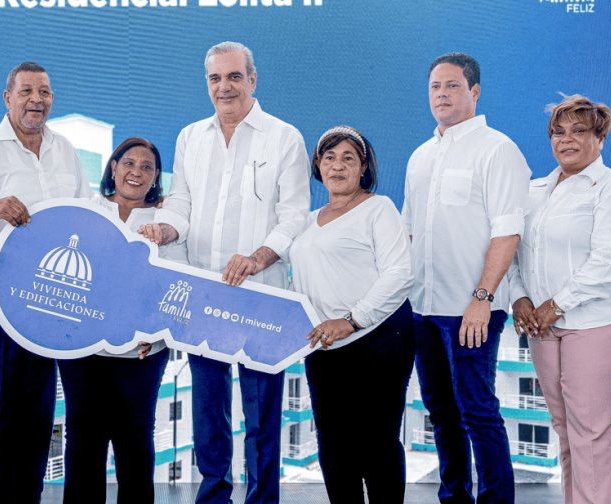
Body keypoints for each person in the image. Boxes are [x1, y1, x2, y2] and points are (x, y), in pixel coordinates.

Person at [142, 41, 310, 503]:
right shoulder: (191, 137)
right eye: (215, 78)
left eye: (234, 76)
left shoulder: (284, 137)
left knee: (262, 413)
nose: (225, 87)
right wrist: (165, 229)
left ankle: (263, 498)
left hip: (261, 293)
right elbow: (181, 203)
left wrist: (258, 257)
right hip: (204, 293)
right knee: (208, 410)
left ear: (252, 80)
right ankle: (214, 494)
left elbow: (295, 214)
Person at [0, 61, 93, 503]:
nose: (37, 100)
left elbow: (86, 213)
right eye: (27, 91)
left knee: (36, 417)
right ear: (8, 97)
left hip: (45, 308)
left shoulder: (64, 149)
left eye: (45, 92)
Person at [402, 52, 530, 504]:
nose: (442, 94)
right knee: (441, 412)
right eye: (435, 86)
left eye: (452, 85)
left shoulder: (498, 150)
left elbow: (507, 231)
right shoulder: (420, 157)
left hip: (471, 310)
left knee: (477, 411)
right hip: (422, 309)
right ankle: (454, 497)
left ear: (474, 92)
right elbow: (410, 232)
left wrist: (482, 298)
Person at [509, 95, 611, 504]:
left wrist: (555, 304)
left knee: (590, 431)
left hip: (599, 321)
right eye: (558, 132)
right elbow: (513, 253)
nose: (566, 139)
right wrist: (520, 298)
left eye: (579, 131)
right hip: (543, 325)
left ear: (600, 138)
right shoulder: (533, 192)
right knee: (565, 429)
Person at [290, 126, 414, 503]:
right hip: (324, 347)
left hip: (379, 339)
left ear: (364, 168)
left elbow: (400, 273)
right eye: (329, 157)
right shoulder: (307, 221)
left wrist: (351, 320)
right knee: (333, 447)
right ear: (318, 166)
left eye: (348, 158)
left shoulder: (379, 209)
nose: (338, 165)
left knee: (376, 444)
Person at [58, 137, 186, 503]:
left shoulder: (165, 223)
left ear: (156, 177)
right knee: (83, 438)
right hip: (83, 347)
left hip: (141, 351)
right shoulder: (86, 211)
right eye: (129, 163)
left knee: (135, 439)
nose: (136, 172)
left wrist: (157, 332)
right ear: (113, 167)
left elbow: (177, 286)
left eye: (147, 167)